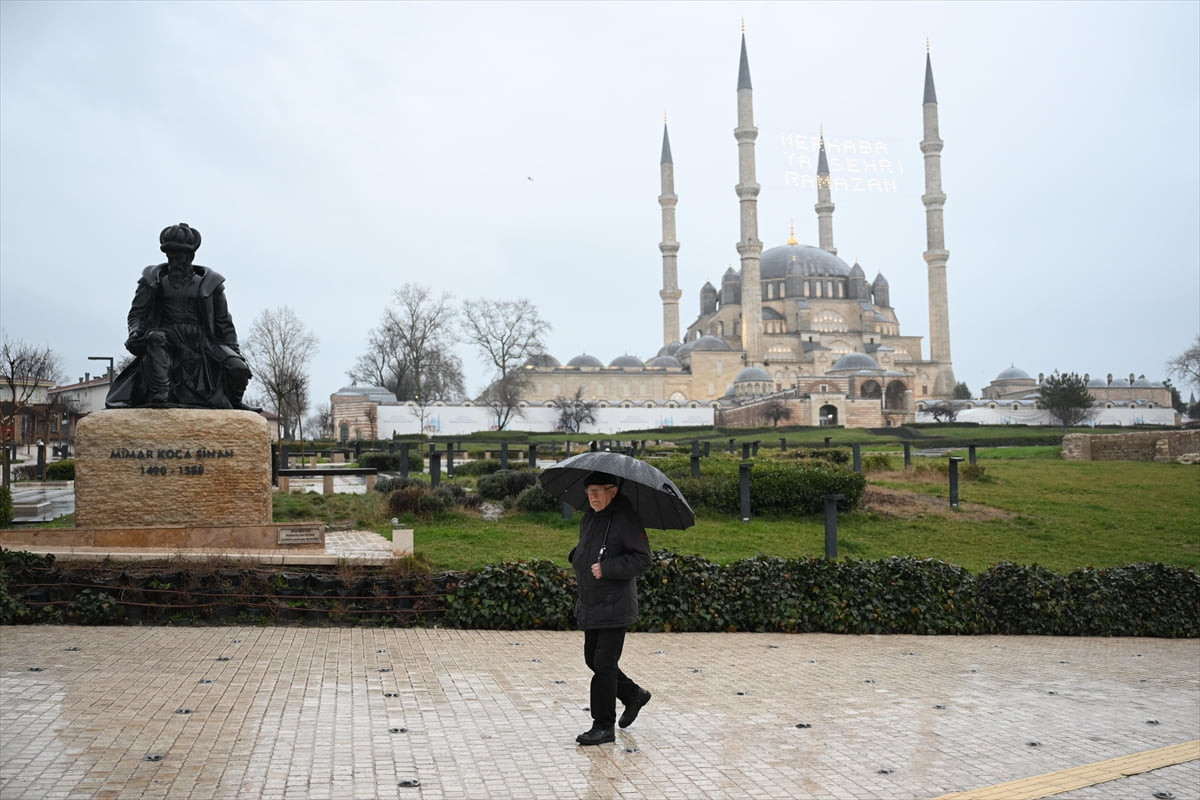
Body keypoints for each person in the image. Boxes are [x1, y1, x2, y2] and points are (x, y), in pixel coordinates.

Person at [106, 223, 255, 410]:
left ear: (190, 256)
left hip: (202, 340)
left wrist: (235, 353)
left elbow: (224, 324)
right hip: (167, 336)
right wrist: (135, 332)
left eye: (179, 257)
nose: (174, 261)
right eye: (170, 256)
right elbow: (137, 314)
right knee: (155, 338)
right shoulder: (152, 281)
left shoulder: (211, 285)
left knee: (238, 368)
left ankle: (235, 402)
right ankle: (161, 394)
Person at [568, 470, 653, 746]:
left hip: (615, 605)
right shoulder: (590, 517)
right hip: (591, 601)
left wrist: (608, 568)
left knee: (603, 665)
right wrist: (577, 556)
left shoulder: (626, 518)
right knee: (592, 660)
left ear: (613, 491)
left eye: (598, 491)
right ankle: (633, 695)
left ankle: (603, 726)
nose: (592, 496)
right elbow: (588, 548)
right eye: (589, 491)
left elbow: (642, 559)